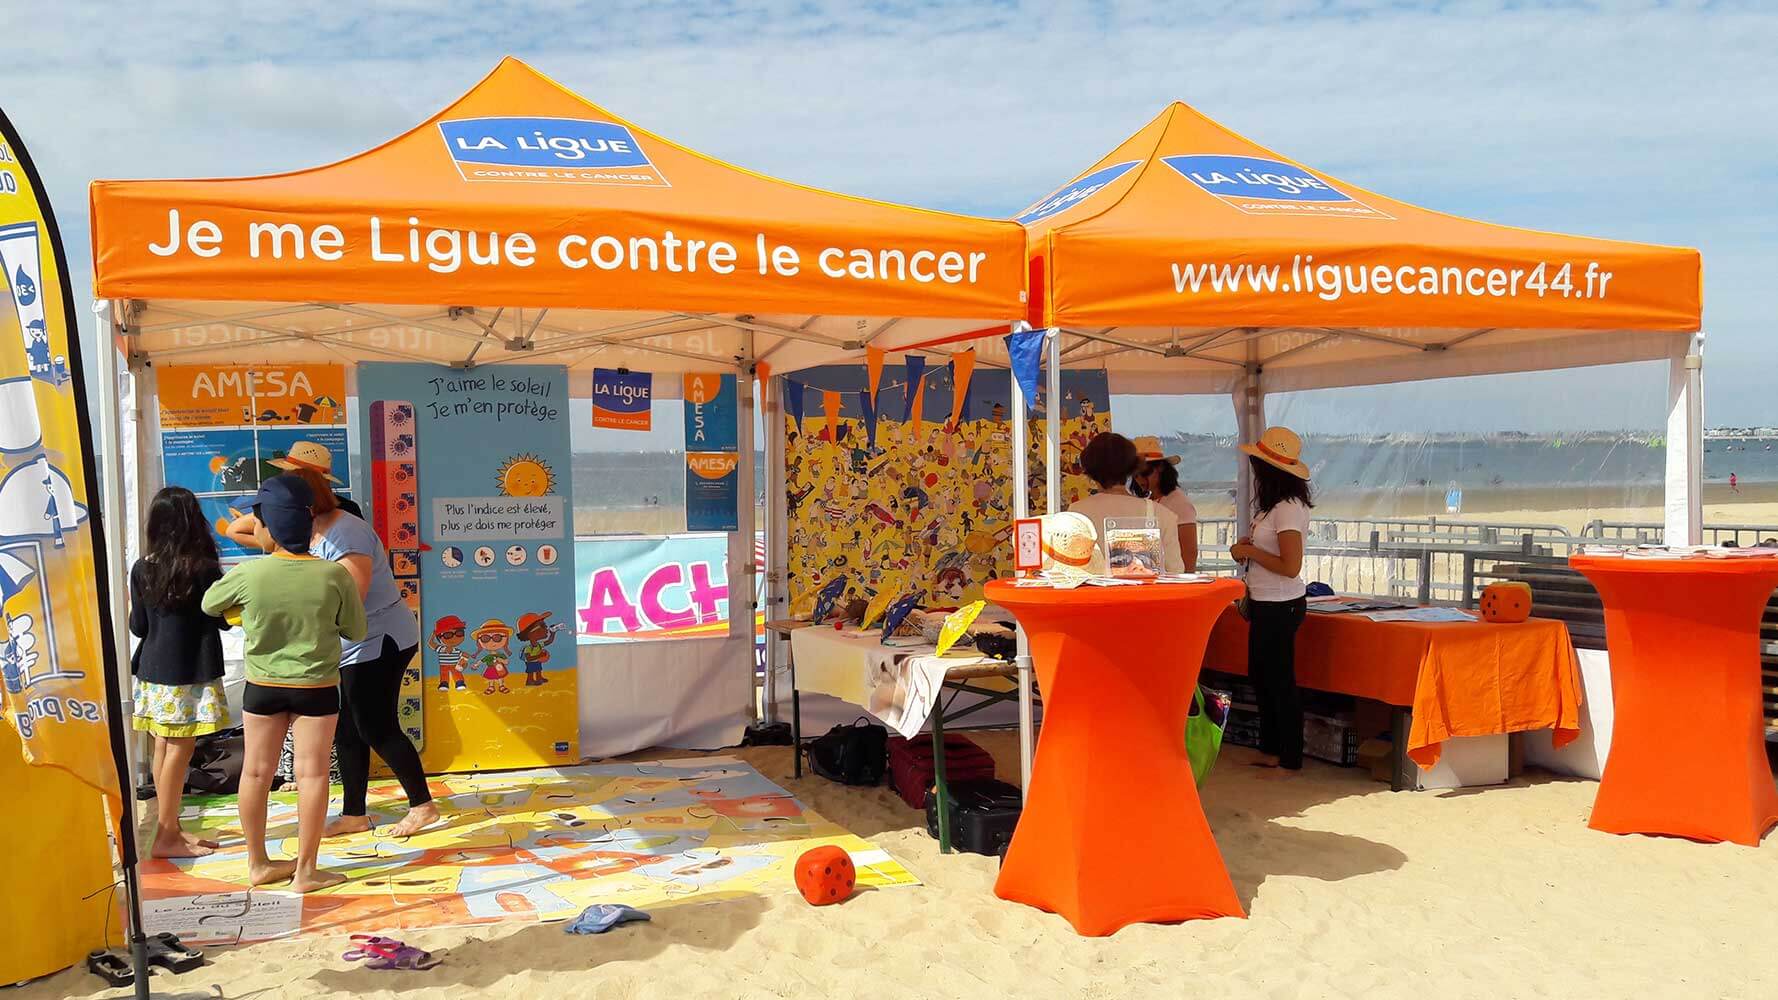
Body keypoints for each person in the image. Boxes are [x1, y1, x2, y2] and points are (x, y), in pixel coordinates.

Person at [202, 475, 365, 892]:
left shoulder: (250, 573)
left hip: (262, 685)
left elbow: (209, 604)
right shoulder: (334, 575)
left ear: (269, 528)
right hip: (317, 687)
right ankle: (306, 872)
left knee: (256, 773)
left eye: (258, 522)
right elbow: (356, 630)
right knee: (313, 776)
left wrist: (244, 613)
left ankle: (258, 864)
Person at [283, 465, 435, 840]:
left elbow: (352, 598)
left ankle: (422, 805)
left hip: (379, 639)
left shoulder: (347, 531)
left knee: (375, 725)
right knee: (348, 728)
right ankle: (354, 813)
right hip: (350, 643)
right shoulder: (313, 528)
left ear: (304, 503)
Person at [129, 487, 231, 859]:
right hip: (189, 671)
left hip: (153, 670)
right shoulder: (203, 568)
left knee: (163, 747)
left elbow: (138, 626)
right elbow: (222, 619)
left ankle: (170, 828)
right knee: (179, 750)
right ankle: (166, 835)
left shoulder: (142, 567)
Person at [1229, 426, 1313, 772]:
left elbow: (1290, 566)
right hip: (1266, 602)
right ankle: (1272, 748)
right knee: (1262, 676)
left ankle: (1287, 753)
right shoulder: (1272, 507)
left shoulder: (1288, 508)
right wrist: (1248, 549)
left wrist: (1251, 551)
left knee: (1278, 679)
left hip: (1281, 604)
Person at [1067, 432, 1184, 574]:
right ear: (1132, 468)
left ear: (1089, 470)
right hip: (1146, 589)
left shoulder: (1076, 513)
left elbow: (1068, 571)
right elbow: (1175, 572)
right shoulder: (1162, 515)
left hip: (1091, 589)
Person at [1133, 436, 1198, 572]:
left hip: (1172, 578)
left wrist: (1185, 582)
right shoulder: (1151, 500)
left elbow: (1189, 553)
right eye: (1135, 475)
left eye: (1145, 473)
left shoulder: (1179, 502)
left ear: (1160, 468)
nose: (1139, 480)